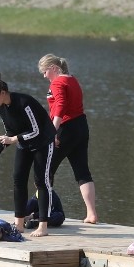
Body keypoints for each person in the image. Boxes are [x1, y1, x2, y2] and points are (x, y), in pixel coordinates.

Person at [0, 71, 56, 237]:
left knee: (41, 181)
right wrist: (3, 144)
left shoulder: (24, 102)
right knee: (18, 179)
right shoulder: (1, 107)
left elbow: (36, 130)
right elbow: (11, 129)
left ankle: (43, 226)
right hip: (24, 142)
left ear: (3, 93)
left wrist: (14, 139)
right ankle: (19, 223)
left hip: (43, 142)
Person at [38, 54, 98, 224]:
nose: (44, 76)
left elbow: (61, 106)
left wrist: (52, 131)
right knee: (82, 172)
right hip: (81, 127)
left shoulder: (57, 82)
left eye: (44, 71)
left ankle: (43, 212)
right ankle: (91, 214)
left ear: (54, 68)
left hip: (65, 128)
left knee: (45, 170)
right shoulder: (72, 79)